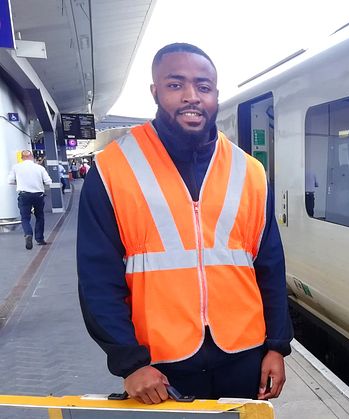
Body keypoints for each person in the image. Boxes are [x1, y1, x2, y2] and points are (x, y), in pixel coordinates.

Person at [77, 43, 292, 405]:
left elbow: (269, 266)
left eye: (203, 87)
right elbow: (97, 276)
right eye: (176, 85)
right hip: (160, 366)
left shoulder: (250, 172)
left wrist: (276, 347)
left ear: (216, 95)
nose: (192, 97)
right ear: (155, 91)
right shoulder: (112, 168)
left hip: (244, 357)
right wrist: (130, 363)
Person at [7, 149, 52, 249]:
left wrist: (20, 183)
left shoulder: (16, 167)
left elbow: (10, 181)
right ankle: (40, 239)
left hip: (24, 195)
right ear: (31, 157)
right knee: (39, 216)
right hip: (38, 195)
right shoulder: (39, 168)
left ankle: (28, 234)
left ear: (22, 158)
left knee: (25, 218)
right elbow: (49, 182)